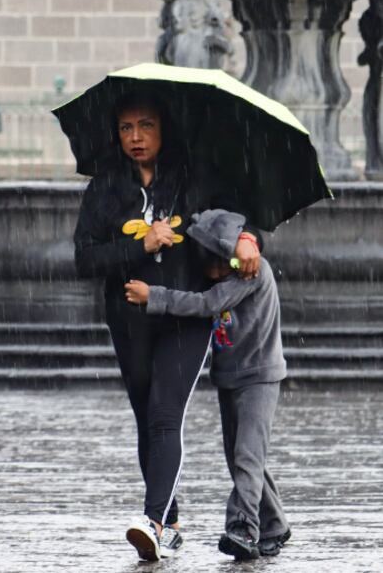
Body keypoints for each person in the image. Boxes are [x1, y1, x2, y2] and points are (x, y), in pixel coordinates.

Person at [73, 92, 263, 561]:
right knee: (146, 417)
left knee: (164, 414)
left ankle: (153, 521)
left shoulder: (195, 176)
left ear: (164, 129)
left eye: (146, 126)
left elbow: (237, 216)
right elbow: (84, 258)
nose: (135, 137)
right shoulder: (104, 187)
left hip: (185, 316)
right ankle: (171, 522)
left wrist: (247, 237)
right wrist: (138, 247)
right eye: (125, 128)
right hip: (128, 318)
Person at [124, 209, 290, 562]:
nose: (207, 272)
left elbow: (206, 304)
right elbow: (205, 220)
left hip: (259, 376)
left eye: (212, 263)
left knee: (247, 456)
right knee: (242, 456)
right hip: (231, 376)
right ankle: (274, 524)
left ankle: (243, 528)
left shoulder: (250, 272)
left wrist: (153, 295)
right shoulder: (227, 270)